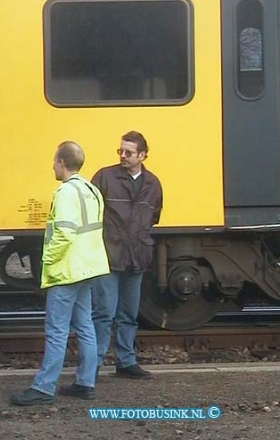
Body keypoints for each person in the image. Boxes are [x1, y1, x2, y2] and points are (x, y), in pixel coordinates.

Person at [10, 141, 110, 406]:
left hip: (66, 270)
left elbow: (64, 234)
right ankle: (85, 382)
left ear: (63, 163)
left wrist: (47, 260)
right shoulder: (92, 190)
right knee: (86, 326)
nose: (52, 165)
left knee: (57, 330)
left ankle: (43, 388)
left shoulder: (65, 193)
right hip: (88, 268)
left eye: (55, 160)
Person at [91, 131, 163, 380]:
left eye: (128, 152)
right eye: (120, 151)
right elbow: (90, 214)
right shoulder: (104, 176)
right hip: (109, 256)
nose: (123, 155)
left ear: (142, 155)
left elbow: (153, 217)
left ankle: (125, 361)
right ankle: (94, 364)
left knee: (128, 314)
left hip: (137, 257)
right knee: (104, 313)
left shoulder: (153, 184)